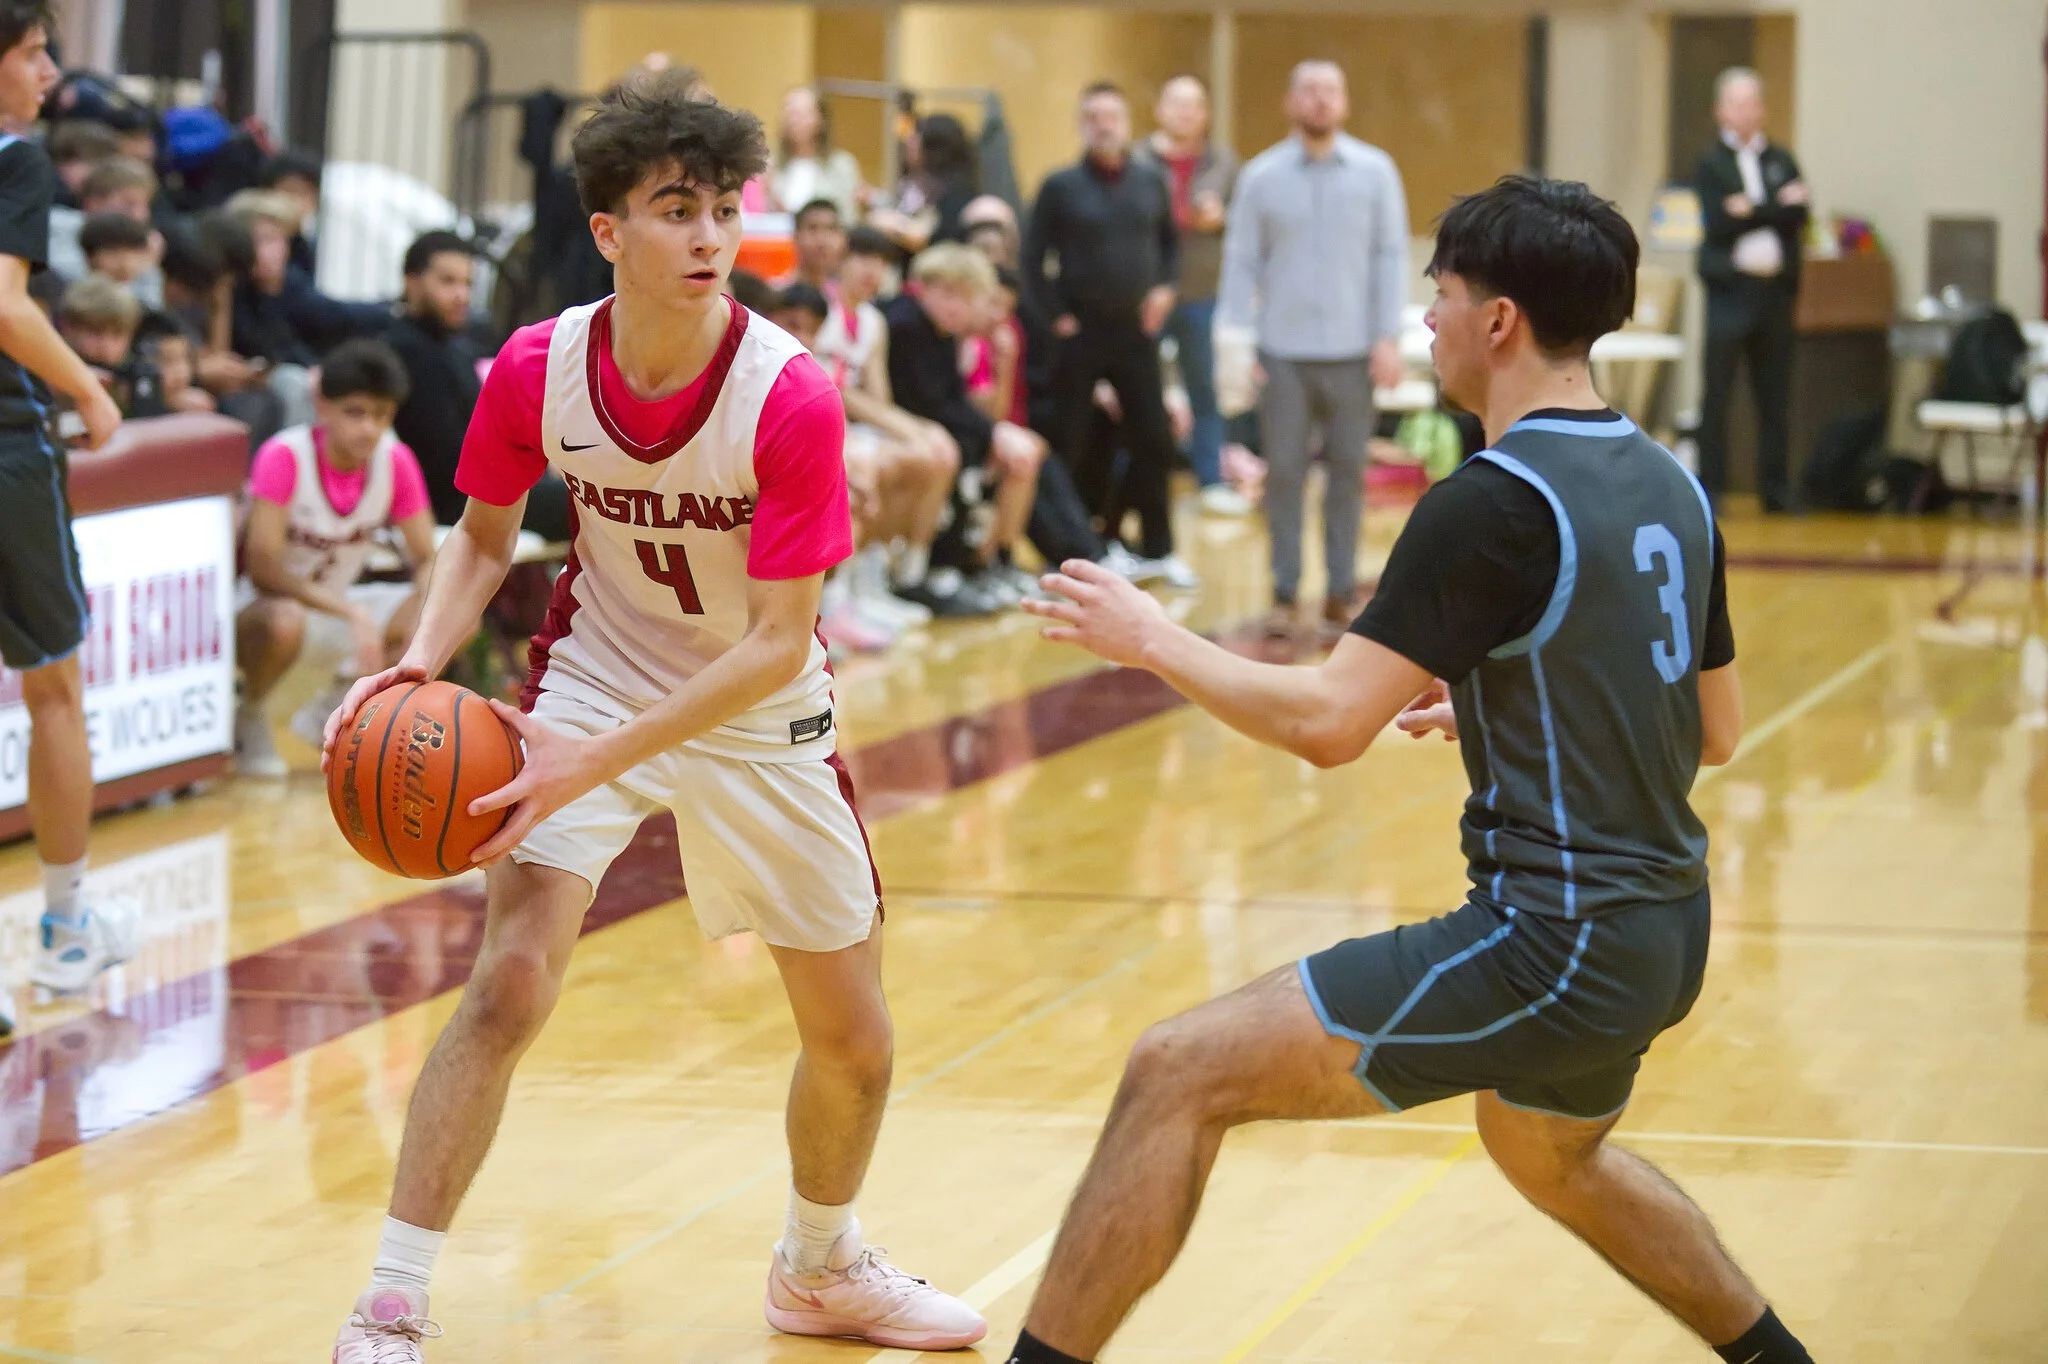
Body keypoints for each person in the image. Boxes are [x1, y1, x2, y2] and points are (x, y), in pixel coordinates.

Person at [1012, 175, 1813, 1364]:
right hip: (1662, 928)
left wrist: (1152, 637)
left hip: (1558, 935)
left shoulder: (1486, 502)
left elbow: (1328, 724)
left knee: (1173, 1069)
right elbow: (1712, 726)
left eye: (1437, 296)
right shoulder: (1673, 483)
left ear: (1498, 321)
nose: (1423, 322)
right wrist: (1510, 690)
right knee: (1546, 1151)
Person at [318, 71, 985, 1361]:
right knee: (508, 980)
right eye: (675, 208)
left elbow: (777, 642)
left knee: (853, 1037)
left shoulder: (788, 394)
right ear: (608, 230)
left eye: (723, 208)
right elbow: (479, 540)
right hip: (600, 664)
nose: (710, 235)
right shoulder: (537, 367)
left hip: (752, 704)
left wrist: (595, 759)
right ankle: (390, 1298)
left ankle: (819, 1265)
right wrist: (410, 666)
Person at [0, 3, 132, 1032]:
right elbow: (4, 302)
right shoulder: (17, 160)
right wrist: (88, 389)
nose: (52, 71)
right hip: (5, 446)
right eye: (35, 51)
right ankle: (64, 927)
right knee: (53, 686)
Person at [1218, 60, 1410, 641]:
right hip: (1282, 351)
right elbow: (1242, 260)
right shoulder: (1261, 176)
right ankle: (1283, 590)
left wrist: (1387, 338)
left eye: (1331, 91)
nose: (1321, 101)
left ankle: (1339, 590)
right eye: (1310, 91)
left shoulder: (1376, 172)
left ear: (1344, 103)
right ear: (1290, 102)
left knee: (1350, 473)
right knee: (1284, 474)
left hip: (1354, 350)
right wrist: (1234, 341)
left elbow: (1391, 257)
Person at [234, 339, 435, 777]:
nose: (369, 428)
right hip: (261, 605)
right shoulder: (284, 456)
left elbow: (428, 559)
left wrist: (423, 612)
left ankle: (333, 715)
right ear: (322, 406)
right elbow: (263, 566)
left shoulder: (396, 462)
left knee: (442, 615)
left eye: (381, 416)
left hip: (337, 605)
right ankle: (249, 717)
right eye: (356, 413)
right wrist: (349, 611)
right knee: (284, 620)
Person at [1024, 82, 1190, 587]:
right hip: (1080, 332)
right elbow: (1031, 260)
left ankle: (1158, 548)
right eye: (1093, 116)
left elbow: (1171, 246)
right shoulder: (1060, 186)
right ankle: (1074, 551)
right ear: (1082, 124)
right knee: (1071, 441)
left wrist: (1165, 290)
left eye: (1112, 115)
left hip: (1135, 331)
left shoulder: (1149, 182)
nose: (1104, 124)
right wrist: (1055, 318)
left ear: (1127, 123)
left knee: (1154, 439)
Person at [813, 224, 961, 631]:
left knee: (935, 456)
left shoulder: (874, 322)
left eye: (882, 264)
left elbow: (877, 398)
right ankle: (842, 594)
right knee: (877, 468)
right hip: (817, 425)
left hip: (855, 425)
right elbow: (832, 392)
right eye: (865, 258)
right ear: (842, 258)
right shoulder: (816, 307)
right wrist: (905, 429)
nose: (873, 271)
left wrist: (914, 430)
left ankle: (892, 577)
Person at [884, 242, 1045, 613]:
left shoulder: (937, 329)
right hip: (906, 428)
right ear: (925, 285)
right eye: (949, 293)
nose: (958, 306)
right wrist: (991, 433)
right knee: (958, 454)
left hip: (931, 426)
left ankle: (984, 562)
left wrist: (990, 432)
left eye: (964, 296)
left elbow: (951, 400)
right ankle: (934, 568)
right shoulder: (906, 324)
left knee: (1005, 453)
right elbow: (925, 401)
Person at [384, 229, 573, 542]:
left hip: (485, 485)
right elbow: (446, 457)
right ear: (411, 282)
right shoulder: (404, 350)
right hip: (457, 500)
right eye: (448, 281)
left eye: (467, 283)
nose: (462, 295)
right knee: (589, 504)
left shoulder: (453, 347)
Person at [1693, 67, 1808, 514]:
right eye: (1736, 103)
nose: (1745, 111)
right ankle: (1710, 489)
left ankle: (1776, 489)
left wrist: (1750, 210)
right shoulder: (1711, 164)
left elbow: (1798, 217)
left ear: (1763, 109)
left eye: (1753, 102)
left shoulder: (1782, 159)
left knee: (1775, 396)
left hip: (1775, 295)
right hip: (1728, 294)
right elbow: (1718, 223)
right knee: (1716, 394)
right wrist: (1773, 207)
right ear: (1721, 110)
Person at [1134, 74, 1243, 517]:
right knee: (1138, 390)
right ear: (1159, 108)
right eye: (1176, 104)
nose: (1184, 113)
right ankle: (1136, 478)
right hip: (1147, 293)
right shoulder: (1137, 160)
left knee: (1204, 391)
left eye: (1194, 105)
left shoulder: (1225, 162)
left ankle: (1211, 480)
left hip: (1201, 292)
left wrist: (1222, 218)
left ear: (1206, 114)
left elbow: (1248, 222)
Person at [870, 112, 976, 257]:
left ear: (935, 147)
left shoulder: (958, 192)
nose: (909, 141)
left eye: (916, 137)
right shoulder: (913, 183)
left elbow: (937, 240)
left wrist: (895, 225)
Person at [57, 273, 162, 417]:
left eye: (117, 334)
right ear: (68, 327)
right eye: (95, 332)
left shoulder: (136, 374)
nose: (106, 345)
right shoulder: (49, 373)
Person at [770, 86, 864, 222]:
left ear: (820, 120)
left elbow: (847, 218)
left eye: (801, 115)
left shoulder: (842, 165)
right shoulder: (771, 165)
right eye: (789, 114)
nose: (794, 121)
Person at [781, 196, 845, 293]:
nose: (822, 240)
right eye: (812, 228)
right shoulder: (777, 296)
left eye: (831, 229)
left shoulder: (849, 299)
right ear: (796, 236)